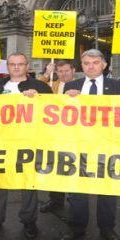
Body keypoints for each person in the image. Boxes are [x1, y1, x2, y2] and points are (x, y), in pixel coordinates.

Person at [0, 53, 53, 240]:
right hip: (0, 141)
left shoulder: (41, 87)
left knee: (28, 183)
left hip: (29, 141)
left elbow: (52, 112)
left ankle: (29, 221)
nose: (16, 67)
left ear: (27, 66)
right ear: (7, 67)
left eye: (20, 64)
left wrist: (39, 98)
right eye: (12, 64)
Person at [59, 49, 120, 240]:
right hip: (78, 144)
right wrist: (66, 100)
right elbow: (59, 115)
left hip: (108, 144)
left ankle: (107, 228)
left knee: (107, 188)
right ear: (81, 65)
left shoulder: (119, 87)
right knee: (77, 189)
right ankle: (76, 228)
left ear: (104, 65)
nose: (91, 66)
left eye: (95, 62)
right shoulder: (70, 86)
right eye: (87, 63)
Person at [37, 60, 76, 213]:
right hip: (54, 134)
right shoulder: (53, 85)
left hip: (74, 135)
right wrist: (47, 73)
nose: (64, 74)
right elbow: (36, 86)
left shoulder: (81, 85)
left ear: (73, 70)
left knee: (73, 166)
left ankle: (74, 198)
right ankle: (55, 200)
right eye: (60, 71)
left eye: (66, 70)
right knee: (54, 167)